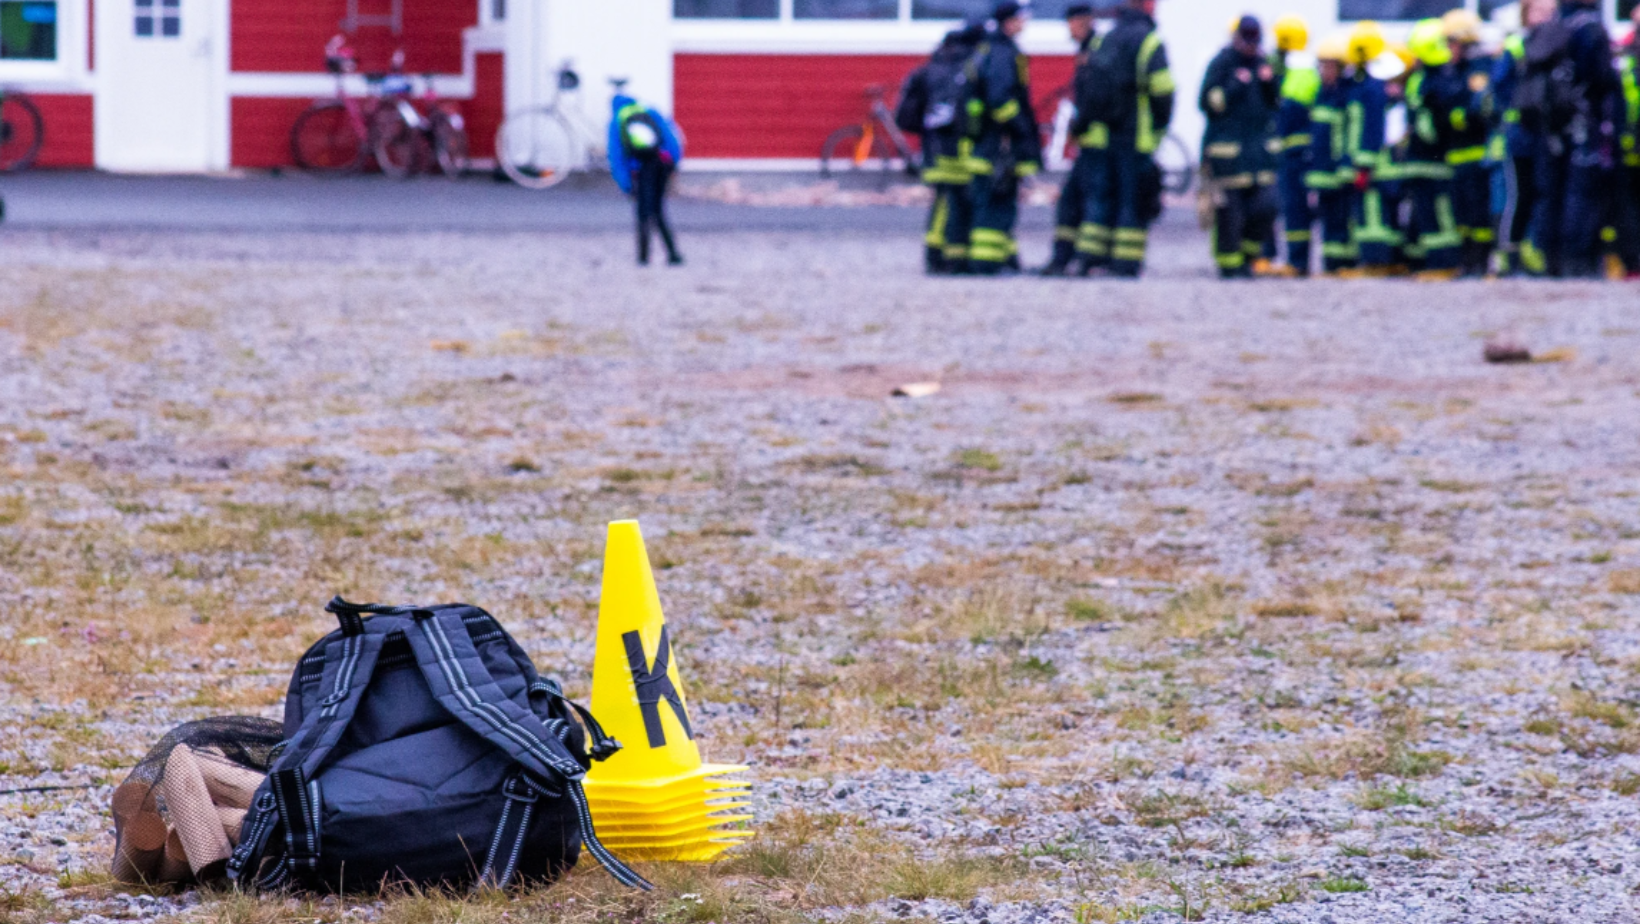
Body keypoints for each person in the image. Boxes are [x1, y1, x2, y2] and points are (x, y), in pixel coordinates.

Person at [1522, 0, 1619, 278]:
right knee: (1582, 194)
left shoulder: (1551, 27)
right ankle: (1579, 262)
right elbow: (1603, 79)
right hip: (1583, 124)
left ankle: (1550, 260)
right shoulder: (1588, 29)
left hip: (1550, 127)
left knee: (1550, 193)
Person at [1077, 0, 1174, 277]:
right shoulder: (1149, 42)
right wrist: (1159, 128)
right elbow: (1163, 91)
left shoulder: (1104, 40)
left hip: (1101, 134)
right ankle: (1125, 262)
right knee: (1132, 200)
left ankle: (1091, 256)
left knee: (1100, 197)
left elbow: (1086, 86)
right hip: (1136, 135)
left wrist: (1083, 125)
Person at [1200, 16, 1280, 278]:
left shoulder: (1262, 64)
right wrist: (1235, 85)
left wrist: (1269, 83)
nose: (1251, 47)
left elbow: (1274, 104)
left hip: (1258, 156)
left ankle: (1247, 257)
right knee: (1229, 214)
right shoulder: (1222, 63)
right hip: (1228, 158)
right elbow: (1209, 103)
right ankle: (1229, 265)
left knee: (1265, 208)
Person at [967, 0, 1042, 275]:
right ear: (1009, 22)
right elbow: (1000, 99)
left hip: (987, 142)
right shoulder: (1002, 53)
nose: (1024, 23)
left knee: (995, 200)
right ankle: (987, 262)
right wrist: (1020, 128)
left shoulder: (991, 48)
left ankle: (1004, 258)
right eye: (1021, 18)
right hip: (998, 144)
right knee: (997, 202)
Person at [912, 21, 986, 274]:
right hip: (957, 148)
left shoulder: (932, 67)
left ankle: (935, 254)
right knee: (955, 203)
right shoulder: (967, 68)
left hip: (932, 147)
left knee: (942, 202)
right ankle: (948, 257)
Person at [1492, 0, 1556, 275]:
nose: (1543, 17)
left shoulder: (1557, 43)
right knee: (1520, 194)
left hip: (1546, 132)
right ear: (1525, 14)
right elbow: (1500, 86)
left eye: (1549, 12)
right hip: (1520, 133)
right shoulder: (1516, 46)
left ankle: (1539, 249)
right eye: (1538, 11)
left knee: (1545, 193)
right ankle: (1511, 253)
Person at [1403, 18, 1467, 278]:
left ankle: (1445, 263)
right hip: (1422, 160)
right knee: (1427, 214)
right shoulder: (1429, 79)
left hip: (1436, 160)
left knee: (1440, 212)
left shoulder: (1441, 79)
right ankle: (1433, 263)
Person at [1042, 3, 1101, 275]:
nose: (1069, 31)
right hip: (1088, 140)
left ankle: (1087, 259)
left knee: (1091, 200)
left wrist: (1080, 127)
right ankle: (1063, 258)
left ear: (1084, 21)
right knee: (1070, 201)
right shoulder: (1088, 50)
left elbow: (1095, 96)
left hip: (1099, 140)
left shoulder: (1097, 50)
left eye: (1072, 24)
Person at [1441, 9, 1499, 275]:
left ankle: (1480, 262)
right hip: (1456, 155)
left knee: (1478, 213)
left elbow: (1477, 110)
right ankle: (1465, 261)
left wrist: (1458, 115)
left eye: (1451, 43)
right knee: (1461, 214)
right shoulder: (1452, 71)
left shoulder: (1479, 69)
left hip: (1476, 155)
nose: (1448, 49)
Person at [608, 92, 684, 266]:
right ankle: (673, 254)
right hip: (661, 165)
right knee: (659, 210)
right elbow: (670, 137)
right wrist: (673, 164)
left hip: (641, 169)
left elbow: (616, 157)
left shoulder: (617, 121)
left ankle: (643, 257)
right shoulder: (649, 110)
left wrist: (626, 184)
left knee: (643, 212)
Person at [1344, 21, 1395, 275]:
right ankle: (1369, 259)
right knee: (1365, 213)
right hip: (1363, 161)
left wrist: (1365, 164)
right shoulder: (1360, 86)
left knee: (1373, 215)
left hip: (1375, 164)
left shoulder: (1372, 88)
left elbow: (1372, 129)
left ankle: (1377, 261)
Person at [1307, 36, 1357, 274]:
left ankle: (1344, 264)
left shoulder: (1345, 95)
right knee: (1327, 221)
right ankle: (1330, 264)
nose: (1325, 71)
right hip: (1322, 170)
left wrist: (1347, 165)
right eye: (1322, 65)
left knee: (1342, 219)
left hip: (1340, 170)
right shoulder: (1321, 94)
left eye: (1330, 66)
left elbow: (1348, 135)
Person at [1272, 15, 1317, 275]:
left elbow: (1284, 115)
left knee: (1294, 208)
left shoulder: (1289, 70)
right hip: (1301, 151)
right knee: (1295, 208)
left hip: (1292, 153)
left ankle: (1297, 262)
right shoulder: (1308, 68)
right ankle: (1297, 261)